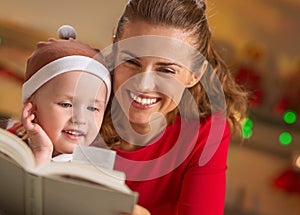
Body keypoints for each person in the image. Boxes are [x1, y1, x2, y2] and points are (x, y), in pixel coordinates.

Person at [100, 0, 248, 215]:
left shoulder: (204, 133)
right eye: (131, 61)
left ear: (195, 74)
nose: (142, 84)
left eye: (166, 70)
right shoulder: (79, 94)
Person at [7, 26, 111, 167]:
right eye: (66, 104)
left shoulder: (97, 167)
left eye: (92, 108)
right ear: (32, 109)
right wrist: (42, 151)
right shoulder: (8, 147)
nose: (80, 119)